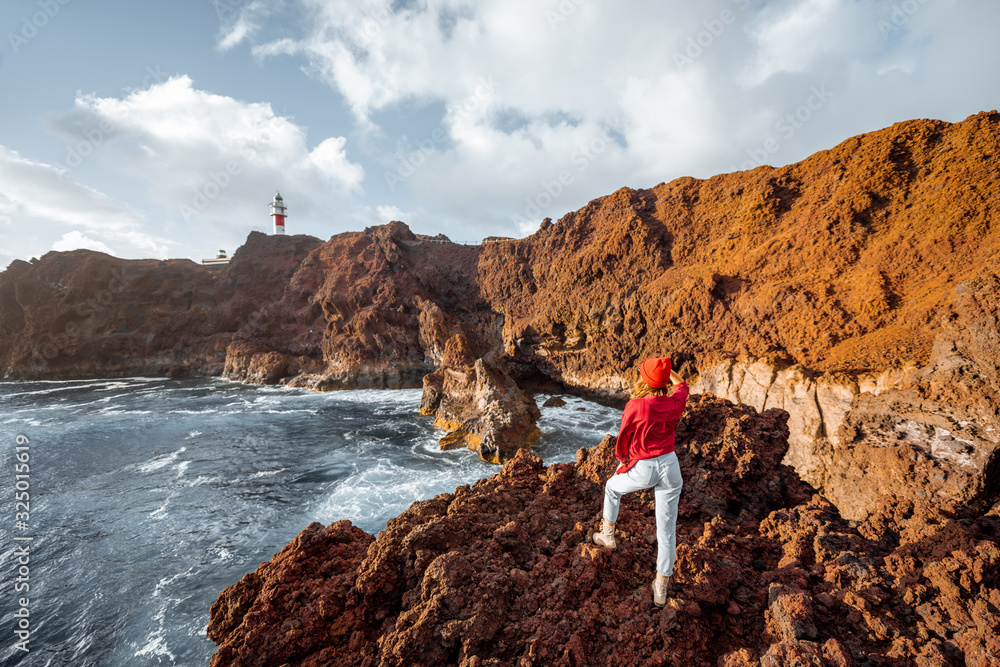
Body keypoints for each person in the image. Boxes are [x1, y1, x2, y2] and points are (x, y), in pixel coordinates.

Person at [593, 356, 688, 607]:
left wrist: (623, 461)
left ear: (644, 379)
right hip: (670, 467)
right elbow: (683, 386)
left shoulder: (637, 406)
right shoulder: (674, 403)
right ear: (664, 381)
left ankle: (608, 535)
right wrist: (669, 373)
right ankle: (660, 587)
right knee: (666, 530)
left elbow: (623, 438)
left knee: (612, 488)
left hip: (644, 468)